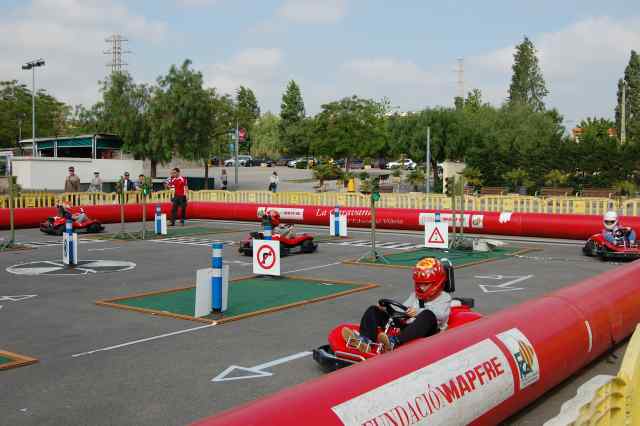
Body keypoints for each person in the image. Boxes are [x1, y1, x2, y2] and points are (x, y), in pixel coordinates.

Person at [343, 257, 452, 352]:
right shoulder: (415, 295)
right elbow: (403, 308)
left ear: (437, 283)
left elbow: (440, 315)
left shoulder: (445, 298)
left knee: (427, 314)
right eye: (419, 284)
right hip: (408, 328)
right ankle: (365, 340)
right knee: (373, 310)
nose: (421, 287)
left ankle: (394, 342)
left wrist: (417, 312)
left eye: (425, 284)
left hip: (429, 330)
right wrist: (387, 308)